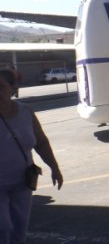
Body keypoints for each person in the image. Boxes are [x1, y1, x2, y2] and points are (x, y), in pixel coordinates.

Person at [0, 69, 64, 243]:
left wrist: (55, 168)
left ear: (13, 89)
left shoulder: (25, 112)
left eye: (1, 87)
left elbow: (41, 142)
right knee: (3, 228)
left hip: (23, 184)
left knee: (19, 231)